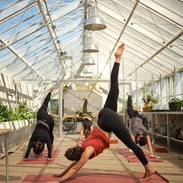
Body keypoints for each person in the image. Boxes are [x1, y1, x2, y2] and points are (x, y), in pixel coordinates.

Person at [48, 43, 154, 183]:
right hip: (104, 114)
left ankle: (148, 169)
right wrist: (60, 175)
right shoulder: (83, 147)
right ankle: (117, 59)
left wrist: (58, 182)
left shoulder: (86, 152)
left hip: (109, 122)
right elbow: (74, 165)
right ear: (76, 148)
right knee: (114, 87)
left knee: (131, 144)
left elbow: (75, 168)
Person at [24, 87, 55, 161]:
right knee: (50, 133)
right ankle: (50, 92)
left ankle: (52, 143)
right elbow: (29, 147)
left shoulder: (46, 137)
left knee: (50, 134)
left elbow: (49, 148)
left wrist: (49, 156)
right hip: (43, 117)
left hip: (48, 119)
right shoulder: (34, 136)